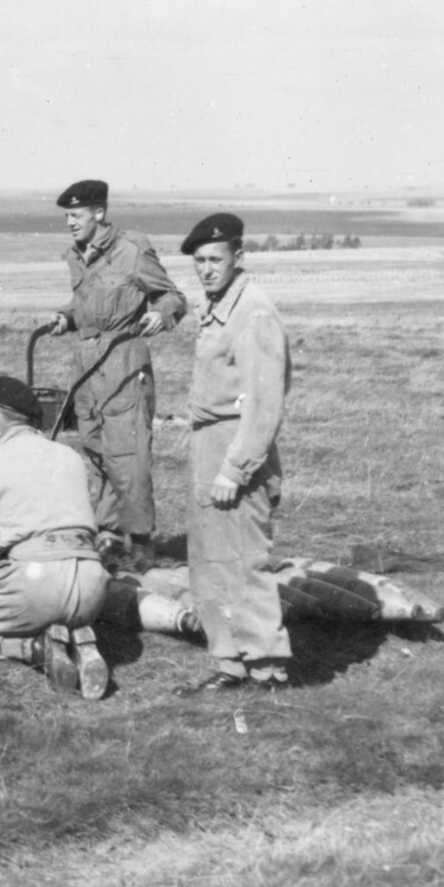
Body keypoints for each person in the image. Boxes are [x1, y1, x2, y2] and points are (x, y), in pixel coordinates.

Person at [176, 212, 293, 693]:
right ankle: (230, 663)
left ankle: (267, 669)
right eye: (199, 261)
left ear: (238, 257)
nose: (206, 269)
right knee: (209, 560)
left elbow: (264, 405)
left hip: (236, 449)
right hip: (210, 444)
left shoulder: (254, 313)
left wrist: (235, 468)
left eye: (215, 259)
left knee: (245, 560)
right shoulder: (217, 305)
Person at [44, 179, 186, 555]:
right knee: (95, 448)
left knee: (129, 455)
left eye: (76, 215)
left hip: (124, 362)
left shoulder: (132, 249)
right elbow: (87, 305)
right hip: (87, 367)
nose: (70, 223)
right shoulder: (77, 255)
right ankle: (107, 533)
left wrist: (160, 314)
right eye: (67, 216)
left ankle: (140, 544)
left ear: (99, 213)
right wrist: (66, 317)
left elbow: (173, 296)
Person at [0, 377, 112, 698]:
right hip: (91, 583)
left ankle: (35, 648)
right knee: (54, 606)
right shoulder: (69, 456)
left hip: (36, 579)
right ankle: (81, 637)